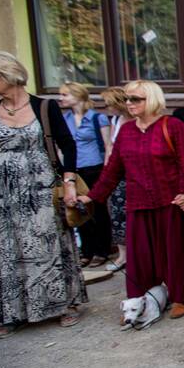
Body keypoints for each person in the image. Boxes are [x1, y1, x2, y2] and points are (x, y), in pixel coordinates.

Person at [81, 81, 184, 318]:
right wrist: (92, 197)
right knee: (139, 256)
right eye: (127, 99)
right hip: (138, 202)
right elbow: (113, 169)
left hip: (170, 201)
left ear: (152, 99)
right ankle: (138, 299)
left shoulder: (173, 126)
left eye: (136, 99)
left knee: (174, 252)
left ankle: (180, 296)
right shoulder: (126, 130)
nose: (129, 104)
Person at [0, 51, 87, 337]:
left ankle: (62, 305)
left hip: (41, 189)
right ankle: (13, 312)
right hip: (0, 193)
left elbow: (68, 146)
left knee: (49, 245)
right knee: (7, 248)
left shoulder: (44, 107)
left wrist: (69, 182)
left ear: (10, 75)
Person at [58, 82, 113, 268]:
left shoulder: (97, 118)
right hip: (74, 170)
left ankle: (102, 249)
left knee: (98, 209)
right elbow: (61, 146)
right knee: (77, 208)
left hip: (94, 167)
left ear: (78, 95)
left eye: (65, 95)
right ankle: (87, 250)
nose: (61, 98)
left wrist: (106, 169)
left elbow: (107, 146)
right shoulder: (64, 119)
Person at [99, 87, 130, 272]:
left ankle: (134, 254)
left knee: (131, 215)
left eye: (109, 104)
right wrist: (106, 170)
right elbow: (110, 145)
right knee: (117, 214)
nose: (107, 108)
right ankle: (122, 256)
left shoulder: (135, 121)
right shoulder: (116, 120)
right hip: (117, 174)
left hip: (132, 174)